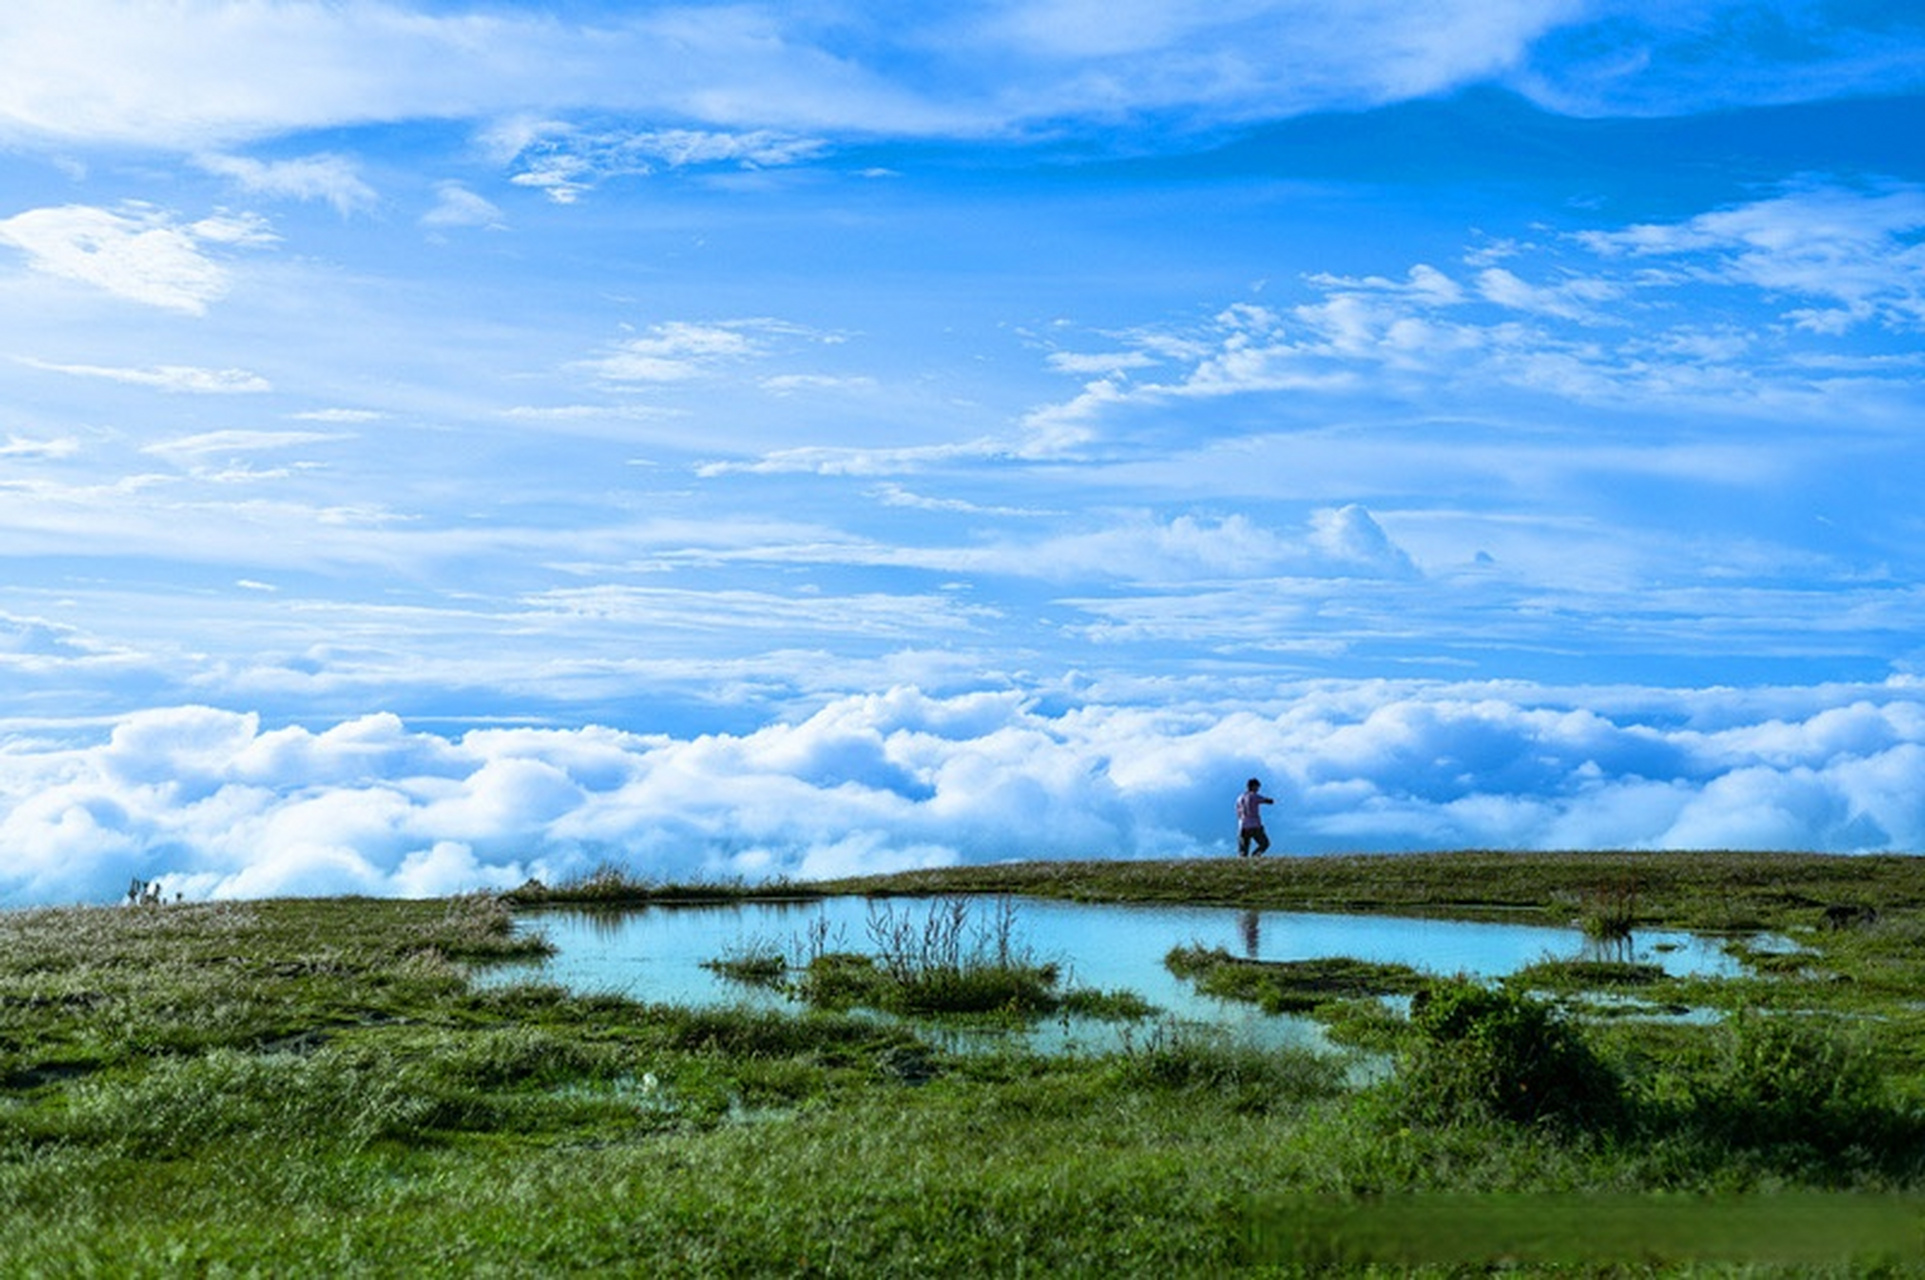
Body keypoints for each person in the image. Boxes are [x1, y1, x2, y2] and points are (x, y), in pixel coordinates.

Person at [1235, 777, 1273, 857]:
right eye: (1257, 787)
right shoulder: (1254, 796)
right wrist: (1271, 800)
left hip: (1242, 826)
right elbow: (1268, 801)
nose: (1258, 789)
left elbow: (1238, 812)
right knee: (1265, 843)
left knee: (1243, 850)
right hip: (1254, 825)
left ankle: (1243, 864)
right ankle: (1255, 855)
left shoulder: (1239, 798)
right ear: (1253, 786)